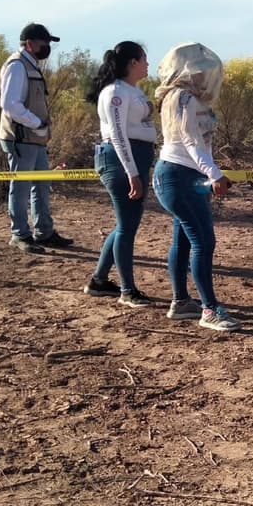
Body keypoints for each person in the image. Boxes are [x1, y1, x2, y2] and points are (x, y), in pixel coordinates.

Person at [152, 42, 241, 331]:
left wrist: (210, 173)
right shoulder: (182, 99)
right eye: (200, 72)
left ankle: (181, 302)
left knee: (184, 240)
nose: (206, 78)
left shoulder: (185, 98)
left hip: (185, 176)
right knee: (203, 241)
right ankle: (209, 309)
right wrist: (214, 174)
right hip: (178, 176)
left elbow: (200, 144)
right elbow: (191, 141)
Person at [84, 41, 157, 307]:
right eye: (144, 59)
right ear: (133, 62)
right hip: (120, 160)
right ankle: (128, 291)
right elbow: (116, 134)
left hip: (135, 158)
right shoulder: (115, 92)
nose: (148, 64)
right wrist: (132, 172)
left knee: (126, 224)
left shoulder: (131, 90)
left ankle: (99, 281)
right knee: (127, 227)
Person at [0, 22, 73, 253]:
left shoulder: (29, 65)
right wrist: (36, 122)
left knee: (41, 184)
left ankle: (44, 232)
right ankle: (20, 234)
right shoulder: (17, 66)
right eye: (44, 43)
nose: (47, 48)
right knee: (20, 187)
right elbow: (9, 105)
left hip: (34, 138)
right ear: (30, 44)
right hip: (21, 138)